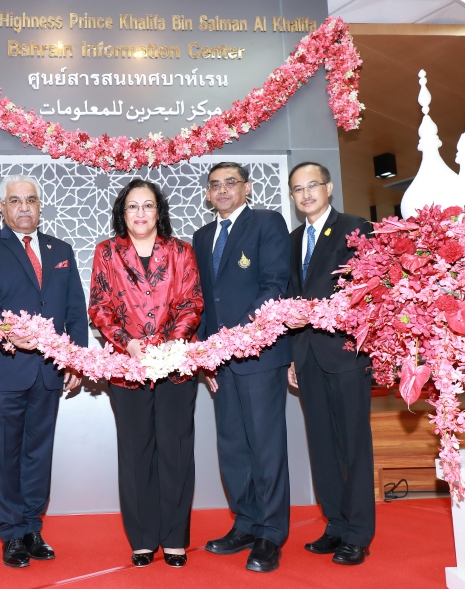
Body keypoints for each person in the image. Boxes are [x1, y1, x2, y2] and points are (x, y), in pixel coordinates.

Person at [0, 174, 88, 568]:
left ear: (40, 207)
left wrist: (76, 358)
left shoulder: (61, 249)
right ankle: (12, 534)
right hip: (2, 369)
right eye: (15, 200)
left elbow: (75, 310)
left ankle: (33, 527)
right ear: (2, 207)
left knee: (38, 453)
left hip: (48, 372)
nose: (23, 207)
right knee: (3, 455)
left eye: (31, 200)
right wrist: (12, 332)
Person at [88, 179, 204, 569]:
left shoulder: (181, 251)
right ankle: (142, 540)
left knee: (175, 452)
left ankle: (174, 539)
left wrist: (172, 344)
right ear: (123, 213)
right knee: (136, 455)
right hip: (126, 368)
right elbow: (100, 307)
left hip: (175, 367)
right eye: (133, 207)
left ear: (159, 211)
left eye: (148, 206)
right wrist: (128, 343)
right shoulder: (106, 252)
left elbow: (192, 303)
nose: (140, 213)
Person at [192, 162, 292, 573]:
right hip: (219, 360)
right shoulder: (200, 237)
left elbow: (274, 285)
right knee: (232, 446)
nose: (222, 190)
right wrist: (204, 354)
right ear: (208, 193)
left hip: (258, 355)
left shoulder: (267, 224)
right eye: (215, 185)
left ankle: (271, 533)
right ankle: (246, 522)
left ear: (246, 188)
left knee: (266, 447)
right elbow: (200, 300)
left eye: (230, 183)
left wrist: (240, 337)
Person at [284, 162, 375, 566]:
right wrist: (291, 354)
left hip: (345, 352)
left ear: (329, 187)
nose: (305, 194)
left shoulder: (356, 228)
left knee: (353, 444)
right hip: (306, 355)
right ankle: (335, 524)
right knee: (321, 444)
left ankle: (358, 533)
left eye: (312, 186)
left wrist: (320, 312)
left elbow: (367, 289)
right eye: (298, 189)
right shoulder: (290, 241)